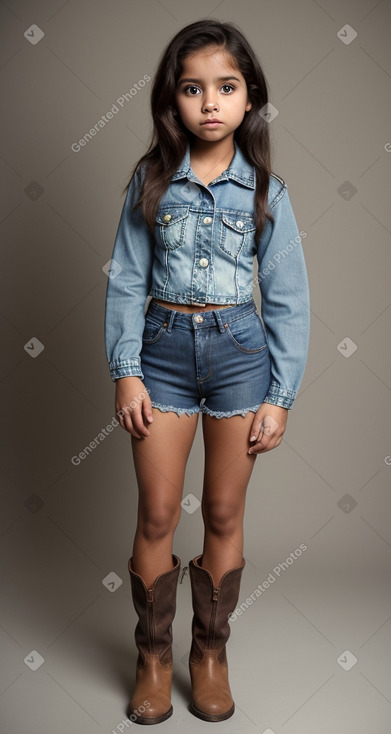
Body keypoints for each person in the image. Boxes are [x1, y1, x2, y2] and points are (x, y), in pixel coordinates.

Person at [104, 18, 310, 725]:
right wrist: (126, 371)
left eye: (225, 87)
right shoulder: (150, 180)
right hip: (160, 351)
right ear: (173, 99)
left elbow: (287, 299)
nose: (210, 103)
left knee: (222, 511)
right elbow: (127, 281)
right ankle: (153, 658)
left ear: (249, 97)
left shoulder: (267, 194)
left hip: (238, 356)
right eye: (193, 89)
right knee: (158, 511)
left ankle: (210, 655)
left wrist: (280, 395)